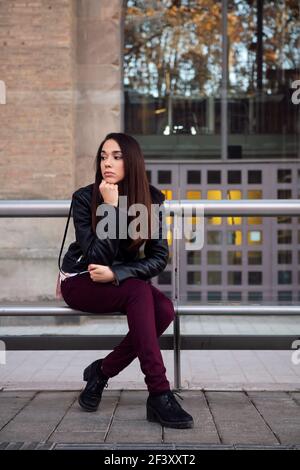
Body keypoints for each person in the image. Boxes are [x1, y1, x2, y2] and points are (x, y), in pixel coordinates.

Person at [58, 132, 194, 429]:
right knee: (138, 293)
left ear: (131, 161)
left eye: (117, 156)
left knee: (164, 310)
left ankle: (101, 372)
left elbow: (159, 257)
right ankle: (159, 392)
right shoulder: (85, 198)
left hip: (120, 281)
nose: (108, 162)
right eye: (104, 156)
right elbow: (96, 257)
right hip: (82, 279)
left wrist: (117, 274)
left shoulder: (151, 199)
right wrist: (110, 209)